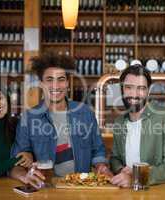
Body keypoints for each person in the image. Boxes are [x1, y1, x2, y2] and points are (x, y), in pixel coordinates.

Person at [10, 51, 111, 189]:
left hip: (81, 188)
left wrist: (101, 167)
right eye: (49, 80)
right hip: (47, 188)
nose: (56, 86)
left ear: (67, 83)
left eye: (61, 79)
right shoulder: (28, 118)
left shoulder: (85, 112)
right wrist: (25, 175)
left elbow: (98, 150)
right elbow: (15, 164)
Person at [110, 64, 165, 188]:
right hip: (124, 190)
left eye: (141, 88)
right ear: (121, 89)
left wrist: (136, 178)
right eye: (129, 87)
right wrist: (121, 170)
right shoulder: (119, 122)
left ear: (148, 91)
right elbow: (115, 158)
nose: (134, 94)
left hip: (156, 192)